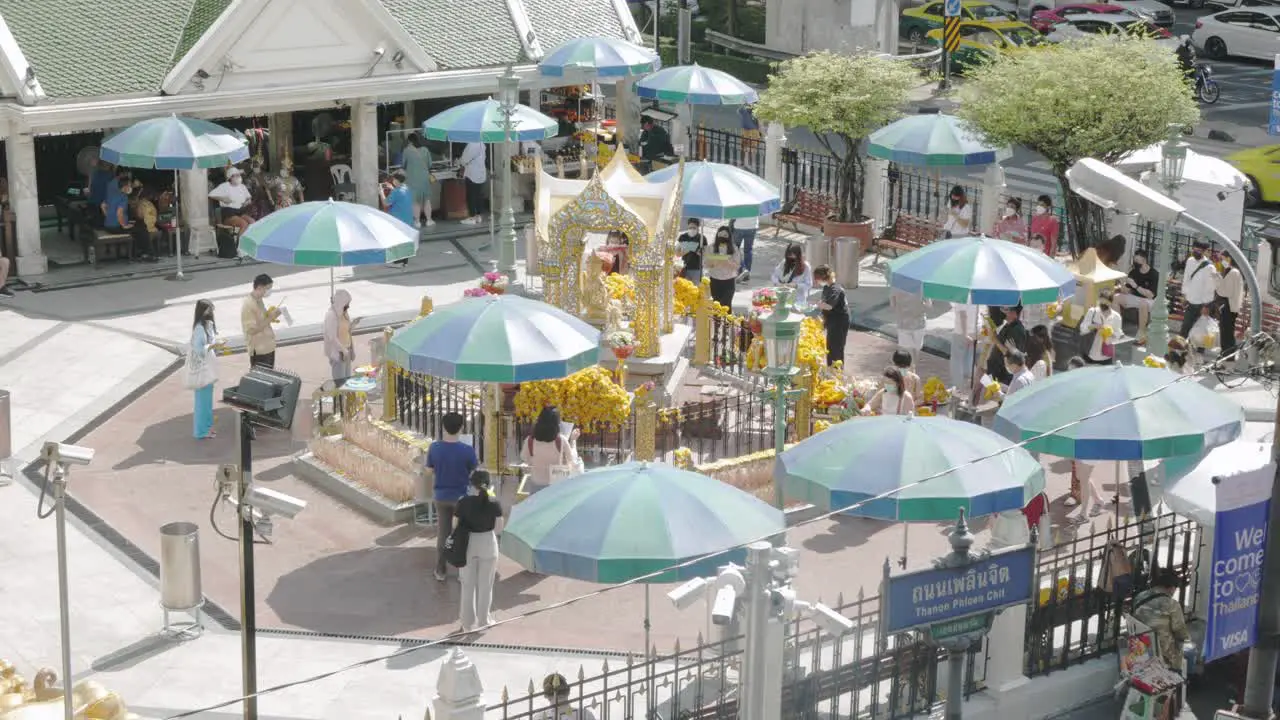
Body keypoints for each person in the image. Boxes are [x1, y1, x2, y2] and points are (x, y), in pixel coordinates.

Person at [425, 412, 478, 581]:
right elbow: (474, 472)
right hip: (461, 498)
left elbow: (429, 470)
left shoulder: (434, 448)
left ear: (443, 427)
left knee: (443, 534)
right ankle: (463, 572)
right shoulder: (467, 450)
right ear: (461, 428)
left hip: (441, 496)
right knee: (463, 534)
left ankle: (440, 570)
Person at [456, 469, 504, 633]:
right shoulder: (494, 503)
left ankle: (467, 623)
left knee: (467, 585)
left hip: (467, 544)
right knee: (486, 586)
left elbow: (455, 526)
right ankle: (484, 620)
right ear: (488, 484)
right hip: (488, 544)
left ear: (472, 484)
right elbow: (498, 529)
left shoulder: (462, 502)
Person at [1131, 567, 1191, 687]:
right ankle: (1175, 681)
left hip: (1139, 648)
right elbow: (1180, 632)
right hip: (1160, 653)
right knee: (1181, 648)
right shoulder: (1171, 605)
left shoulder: (1140, 596)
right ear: (1172, 587)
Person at [520, 407, 583, 494]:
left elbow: (525, 458)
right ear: (557, 424)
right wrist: (573, 440)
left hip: (536, 485)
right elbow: (572, 460)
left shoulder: (529, 441)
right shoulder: (561, 440)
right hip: (555, 487)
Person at [103, 177, 157, 262]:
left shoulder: (113, 193)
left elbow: (102, 206)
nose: (131, 187)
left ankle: (138, 252)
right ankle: (148, 254)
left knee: (137, 226)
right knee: (142, 228)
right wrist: (124, 225)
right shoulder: (123, 197)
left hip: (108, 225)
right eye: (129, 185)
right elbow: (119, 213)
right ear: (125, 187)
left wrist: (109, 216)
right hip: (116, 227)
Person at [189, 299, 220, 439]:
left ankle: (207, 427)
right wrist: (211, 346)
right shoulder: (199, 329)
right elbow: (198, 349)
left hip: (209, 366)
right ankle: (201, 431)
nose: (211, 312)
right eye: (208, 309)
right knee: (202, 401)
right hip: (202, 368)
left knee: (207, 400)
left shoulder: (208, 325)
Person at [1115, 250, 1159, 345]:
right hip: (1134, 297)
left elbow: (1150, 295)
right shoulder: (1134, 272)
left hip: (1149, 300)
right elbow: (1127, 290)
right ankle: (1117, 329)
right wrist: (1122, 284)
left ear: (1144, 260)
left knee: (1143, 303)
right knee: (1116, 297)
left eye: (1137, 260)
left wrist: (1135, 286)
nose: (1135, 262)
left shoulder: (1154, 274)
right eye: (1134, 260)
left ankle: (1141, 333)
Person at [1179, 240, 1219, 340]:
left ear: (1205, 251)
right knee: (1184, 330)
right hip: (1190, 302)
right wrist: (1184, 295)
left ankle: (1198, 353)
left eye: (1199, 250)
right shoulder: (1190, 261)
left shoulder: (1210, 267)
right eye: (1195, 249)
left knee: (1200, 333)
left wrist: (1206, 306)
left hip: (1202, 305)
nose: (1196, 252)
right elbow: (1186, 278)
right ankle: (1179, 352)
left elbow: (1210, 288)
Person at [241, 274, 279, 369]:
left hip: (268, 346)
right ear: (259, 287)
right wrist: (270, 318)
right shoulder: (248, 305)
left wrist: (270, 314)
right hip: (259, 350)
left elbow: (262, 318)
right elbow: (251, 330)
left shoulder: (259, 300)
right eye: (268, 288)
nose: (269, 292)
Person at [814, 265, 850, 367]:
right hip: (832, 320)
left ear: (823, 277)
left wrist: (817, 304)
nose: (816, 282)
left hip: (839, 321)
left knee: (836, 347)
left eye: (817, 279)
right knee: (830, 346)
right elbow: (824, 303)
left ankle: (836, 371)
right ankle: (831, 368)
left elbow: (829, 306)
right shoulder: (826, 288)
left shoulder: (836, 289)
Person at [986, 305, 1027, 385]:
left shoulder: (1016, 330)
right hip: (995, 369)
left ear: (1014, 313)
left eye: (1008, 310)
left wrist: (994, 339)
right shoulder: (1008, 325)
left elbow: (1010, 354)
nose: (1005, 313)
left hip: (1002, 374)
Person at [1081, 290, 1123, 365]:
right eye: (1101, 302)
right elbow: (1082, 328)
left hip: (1106, 356)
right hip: (1090, 354)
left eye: (1105, 303)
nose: (1103, 305)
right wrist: (1095, 326)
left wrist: (1110, 333)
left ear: (1111, 302)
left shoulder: (1116, 317)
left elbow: (1118, 334)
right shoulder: (1092, 312)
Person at [402, 133, 434, 227]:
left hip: (412, 179)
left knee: (415, 201)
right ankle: (429, 220)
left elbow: (404, 164)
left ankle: (417, 221)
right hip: (424, 179)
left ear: (410, 141)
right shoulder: (425, 150)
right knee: (427, 200)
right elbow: (429, 164)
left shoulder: (407, 151)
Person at [208, 167, 254, 234]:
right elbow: (210, 195)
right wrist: (222, 199)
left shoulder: (242, 186)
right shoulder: (224, 186)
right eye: (237, 175)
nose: (239, 177)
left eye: (239, 175)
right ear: (231, 177)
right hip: (228, 214)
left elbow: (249, 198)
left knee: (252, 222)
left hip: (240, 212)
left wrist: (247, 201)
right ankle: (240, 244)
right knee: (243, 224)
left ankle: (249, 242)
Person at [323, 289, 355, 384]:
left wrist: (352, 350)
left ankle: (346, 398)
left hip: (347, 350)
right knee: (340, 383)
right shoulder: (331, 315)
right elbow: (332, 337)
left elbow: (348, 332)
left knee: (348, 381)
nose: (348, 306)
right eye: (346, 304)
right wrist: (343, 350)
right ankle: (339, 399)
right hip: (338, 354)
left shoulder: (344, 314)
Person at [1216, 252, 1244, 360]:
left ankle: (1227, 356)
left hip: (1229, 306)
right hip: (1232, 306)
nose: (1222, 262)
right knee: (1228, 331)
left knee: (1226, 332)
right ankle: (1227, 355)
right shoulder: (1235, 271)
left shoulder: (1233, 272)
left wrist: (1217, 280)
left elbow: (1225, 291)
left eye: (1223, 259)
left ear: (1229, 258)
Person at [704, 226, 740, 309]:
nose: (722, 239)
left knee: (726, 305)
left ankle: (727, 322)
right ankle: (717, 322)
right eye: (721, 236)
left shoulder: (734, 248)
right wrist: (713, 262)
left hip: (729, 281)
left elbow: (737, 266)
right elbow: (706, 264)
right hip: (715, 280)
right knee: (716, 305)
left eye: (725, 236)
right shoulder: (711, 247)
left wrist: (727, 262)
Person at [950, 302, 980, 391]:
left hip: (961, 332)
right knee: (969, 359)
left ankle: (958, 387)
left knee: (957, 361)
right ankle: (969, 386)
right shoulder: (974, 295)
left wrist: (965, 334)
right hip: (974, 331)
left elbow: (963, 315)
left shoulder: (962, 296)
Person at [459, 141, 487, 226]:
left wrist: (460, 162)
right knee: (478, 195)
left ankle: (472, 217)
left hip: (472, 173)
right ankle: (478, 216)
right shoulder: (482, 143)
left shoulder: (472, 144)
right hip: (480, 172)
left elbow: (465, 159)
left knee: (471, 196)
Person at [677, 218, 706, 284]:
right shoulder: (683, 237)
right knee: (684, 289)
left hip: (697, 269)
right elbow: (677, 253)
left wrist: (699, 252)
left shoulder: (702, 238)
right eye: (690, 227)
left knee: (695, 289)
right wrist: (689, 249)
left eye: (694, 227)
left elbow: (705, 254)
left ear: (698, 228)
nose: (692, 229)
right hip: (685, 267)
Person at [734, 216, 759, 282]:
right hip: (752, 226)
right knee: (748, 250)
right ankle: (747, 273)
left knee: (735, 249)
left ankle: (742, 269)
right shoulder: (757, 205)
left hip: (739, 226)